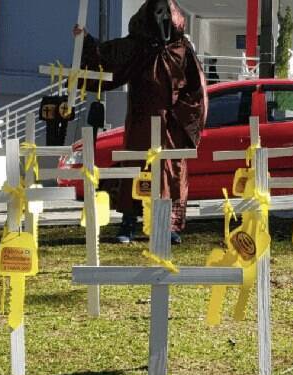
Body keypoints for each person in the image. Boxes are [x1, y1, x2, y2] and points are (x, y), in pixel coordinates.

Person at [73, 0, 207, 244]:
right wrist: (86, 41)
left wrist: (181, 118)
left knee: (169, 174)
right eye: (158, 13)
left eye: (167, 13)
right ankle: (129, 222)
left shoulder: (182, 50)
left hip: (170, 126)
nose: (163, 19)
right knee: (136, 169)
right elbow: (108, 58)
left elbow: (196, 89)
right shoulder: (137, 48)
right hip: (141, 121)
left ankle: (168, 225)